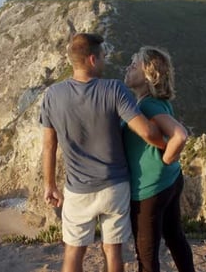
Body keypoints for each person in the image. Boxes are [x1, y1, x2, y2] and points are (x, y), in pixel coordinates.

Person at [40, 33, 166, 272]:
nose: (105, 61)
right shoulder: (114, 89)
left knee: (74, 251)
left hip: (77, 189)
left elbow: (49, 145)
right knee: (112, 250)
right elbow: (146, 132)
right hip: (114, 186)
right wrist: (167, 147)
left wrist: (50, 185)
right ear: (92, 60)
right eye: (103, 57)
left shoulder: (52, 95)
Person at [123, 46, 195, 272]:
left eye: (134, 65)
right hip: (171, 180)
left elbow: (180, 135)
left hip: (150, 190)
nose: (128, 67)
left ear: (148, 76)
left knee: (146, 255)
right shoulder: (158, 102)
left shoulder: (147, 105)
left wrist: (164, 160)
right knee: (175, 237)